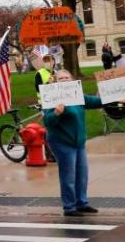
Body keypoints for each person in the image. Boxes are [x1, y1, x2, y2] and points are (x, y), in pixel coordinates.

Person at [43, 70, 102, 217]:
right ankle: (69, 206)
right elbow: (48, 122)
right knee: (68, 175)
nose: (64, 80)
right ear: (56, 81)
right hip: (62, 141)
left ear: (72, 79)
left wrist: (115, 97)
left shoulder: (78, 95)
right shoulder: (53, 96)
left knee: (82, 174)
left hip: (79, 142)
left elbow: (96, 102)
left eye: (66, 77)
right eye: (60, 78)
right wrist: (56, 113)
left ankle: (82, 203)